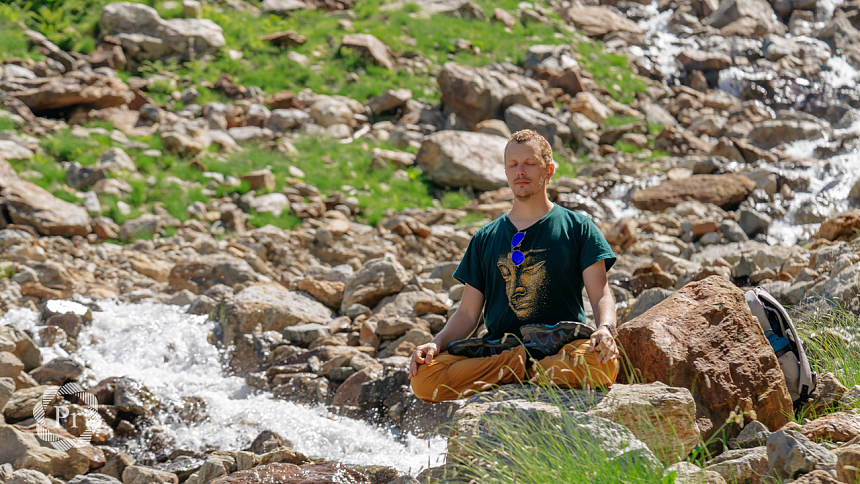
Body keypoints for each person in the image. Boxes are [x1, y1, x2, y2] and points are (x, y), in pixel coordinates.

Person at [408, 129, 620, 404]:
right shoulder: (485, 237)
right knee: (424, 379)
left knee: (601, 365)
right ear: (506, 173)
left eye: (530, 163)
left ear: (549, 169)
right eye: (513, 165)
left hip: (562, 344)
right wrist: (435, 344)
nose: (520, 171)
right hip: (500, 348)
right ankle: (527, 369)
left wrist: (605, 328)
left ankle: (514, 371)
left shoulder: (578, 227)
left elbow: (601, 293)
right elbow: (468, 315)